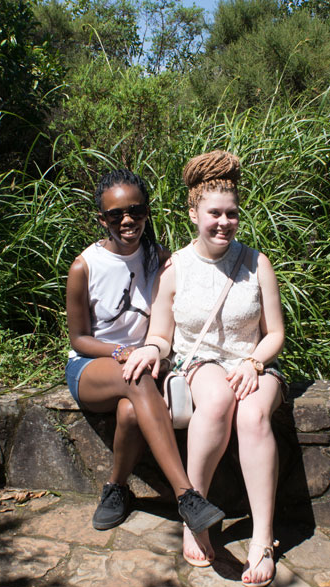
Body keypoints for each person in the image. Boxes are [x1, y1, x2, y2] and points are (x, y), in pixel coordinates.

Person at [124, 151, 286, 587]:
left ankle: (262, 538)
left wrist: (255, 362)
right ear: (193, 213)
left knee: (252, 416)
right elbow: (161, 333)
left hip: (253, 364)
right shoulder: (174, 267)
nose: (223, 222)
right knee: (215, 402)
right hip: (200, 363)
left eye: (231, 214)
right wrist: (149, 351)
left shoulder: (257, 263)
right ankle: (193, 514)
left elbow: (274, 334)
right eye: (214, 213)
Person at [65, 168, 224, 535]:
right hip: (92, 368)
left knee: (131, 411)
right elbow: (79, 339)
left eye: (135, 211)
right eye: (115, 215)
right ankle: (187, 495)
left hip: (144, 369)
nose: (127, 221)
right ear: (101, 219)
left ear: (147, 212)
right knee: (135, 379)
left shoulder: (161, 259)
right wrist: (122, 350)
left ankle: (116, 488)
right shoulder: (84, 267)